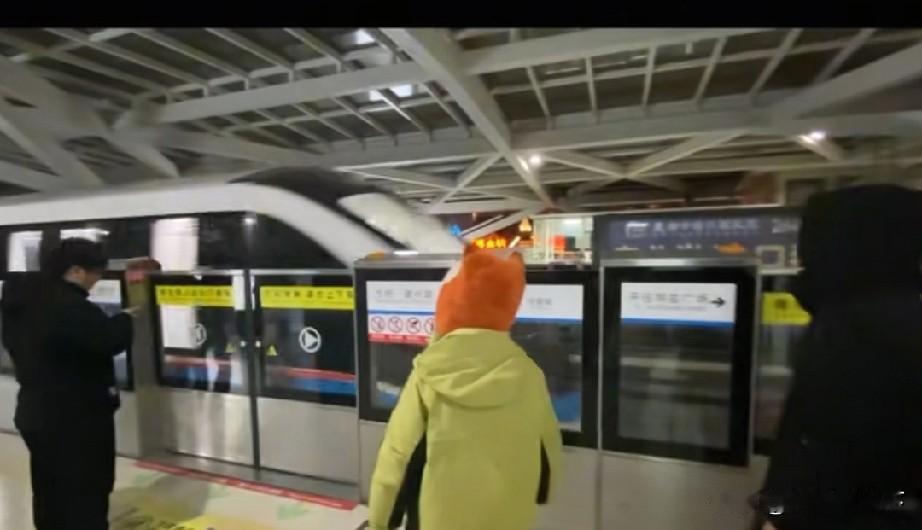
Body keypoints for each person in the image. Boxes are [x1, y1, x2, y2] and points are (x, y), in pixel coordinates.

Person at [754, 185, 922, 530]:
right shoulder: (896, 316)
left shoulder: (856, 329)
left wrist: (782, 515)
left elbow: (824, 456)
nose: (802, 263)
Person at [367, 246, 563, 530]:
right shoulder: (529, 374)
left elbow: (399, 455)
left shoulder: (427, 374)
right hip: (508, 517)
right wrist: (545, 490)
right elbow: (548, 444)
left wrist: (381, 521)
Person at [1, 238, 134, 530]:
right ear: (75, 271)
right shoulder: (69, 307)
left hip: (36, 412)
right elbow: (107, 340)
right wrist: (126, 319)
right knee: (86, 489)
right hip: (76, 417)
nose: (96, 281)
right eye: (96, 273)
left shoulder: (22, 301)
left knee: (49, 486)